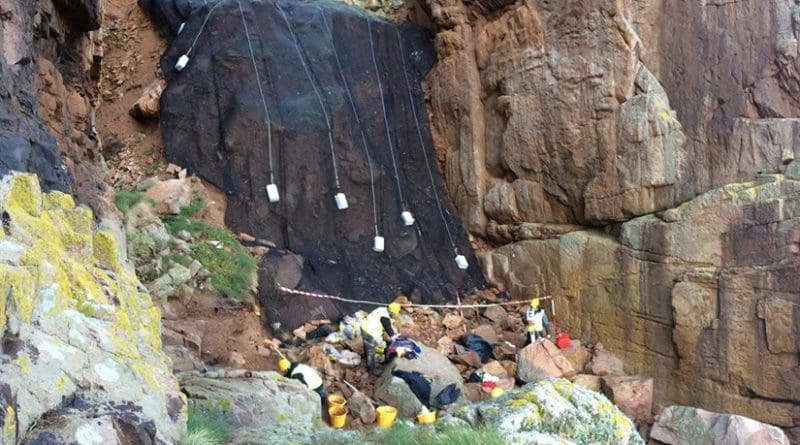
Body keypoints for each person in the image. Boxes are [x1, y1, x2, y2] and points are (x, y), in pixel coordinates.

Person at [361, 303, 401, 374]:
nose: (395, 315)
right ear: (392, 312)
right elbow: (387, 327)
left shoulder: (381, 309)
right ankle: (372, 369)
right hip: (369, 331)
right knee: (371, 350)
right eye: (395, 313)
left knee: (368, 346)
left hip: (365, 326)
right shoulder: (385, 317)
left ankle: (369, 356)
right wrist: (393, 337)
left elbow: (387, 325)